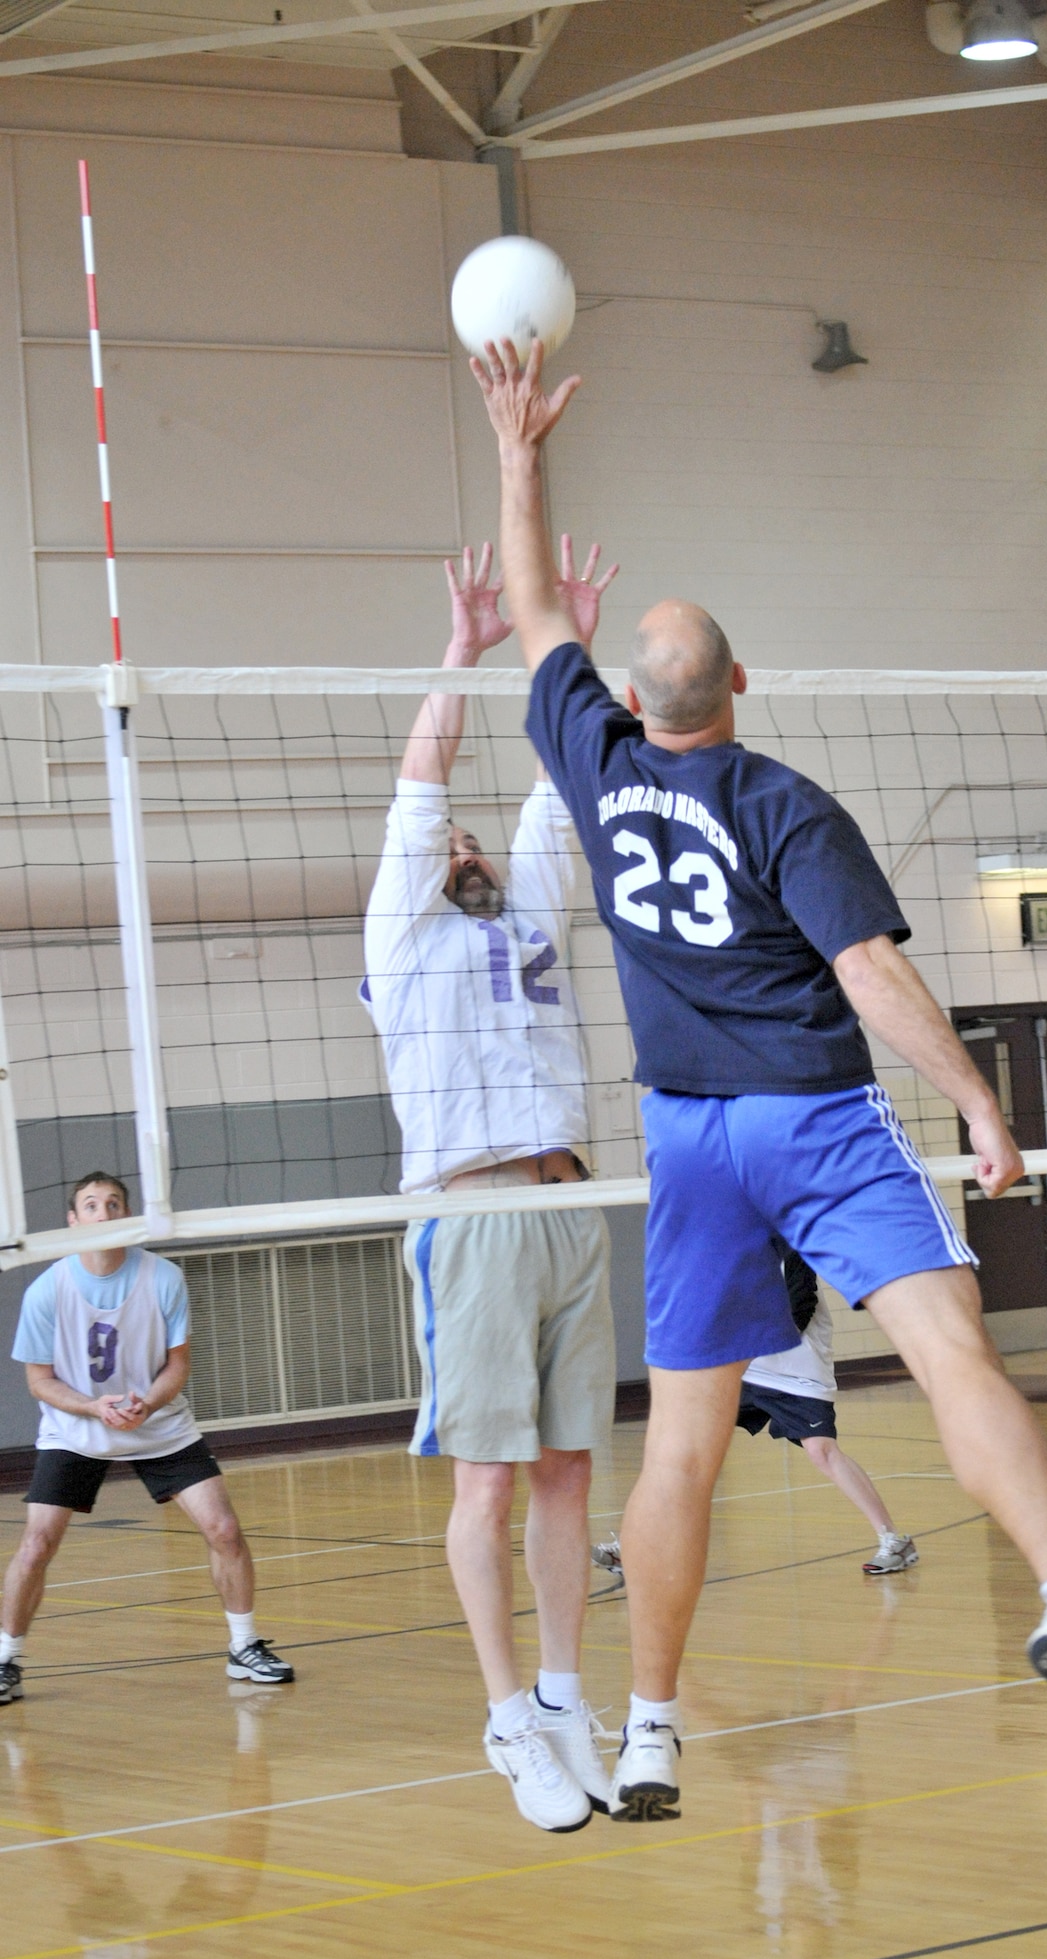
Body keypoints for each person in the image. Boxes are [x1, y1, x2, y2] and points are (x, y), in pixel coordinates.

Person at [469, 336, 1047, 1822]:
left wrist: (517, 444)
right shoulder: (784, 801)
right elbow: (869, 973)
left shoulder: (593, 767)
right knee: (948, 1355)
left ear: (630, 696)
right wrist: (985, 1102)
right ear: (739, 685)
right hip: (816, 1116)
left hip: (687, 1144)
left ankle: (651, 1731)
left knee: (681, 1451)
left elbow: (534, 604)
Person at [362, 538, 621, 1834]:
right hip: (469, 1217)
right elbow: (426, 775)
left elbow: (556, 780)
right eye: (447, 841)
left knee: (573, 1471)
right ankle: (507, 1712)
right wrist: (462, 647)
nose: (462, 843)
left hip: (569, 1208)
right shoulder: (403, 932)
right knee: (490, 1482)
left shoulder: (532, 914)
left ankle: (570, 1697)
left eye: (472, 839)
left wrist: (555, 643)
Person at [0, 1172, 293, 1706]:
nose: (104, 1213)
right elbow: (39, 1381)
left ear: (129, 1216)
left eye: (114, 1204)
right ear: (74, 1221)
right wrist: (93, 1406)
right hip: (76, 1430)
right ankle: (5, 1660)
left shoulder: (163, 1278)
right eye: (92, 1205)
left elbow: (177, 1365)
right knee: (37, 1544)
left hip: (157, 1423)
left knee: (224, 1529)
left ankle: (244, 1646)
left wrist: (146, 1405)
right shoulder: (48, 1290)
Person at [592, 1248, 919, 1581]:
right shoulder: (725, 1249)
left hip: (797, 1369)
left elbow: (799, 1310)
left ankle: (893, 1539)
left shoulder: (789, 1248)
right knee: (681, 1451)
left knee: (822, 1451)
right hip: (743, 1369)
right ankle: (633, 1548)